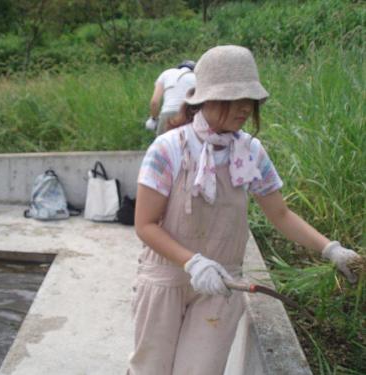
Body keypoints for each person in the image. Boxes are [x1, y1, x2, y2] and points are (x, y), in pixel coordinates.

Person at [129, 45, 361, 375]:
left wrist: (332, 250)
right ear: (205, 99)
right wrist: (192, 262)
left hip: (222, 284)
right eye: (233, 99)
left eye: (249, 100)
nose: (244, 109)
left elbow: (280, 215)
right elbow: (146, 225)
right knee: (150, 369)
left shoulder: (250, 151)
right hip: (165, 280)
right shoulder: (168, 148)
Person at [145, 60, 196, 135]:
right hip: (188, 116)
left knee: (163, 145)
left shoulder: (166, 73)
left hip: (167, 115)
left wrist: (154, 119)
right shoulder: (196, 77)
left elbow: (154, 102)